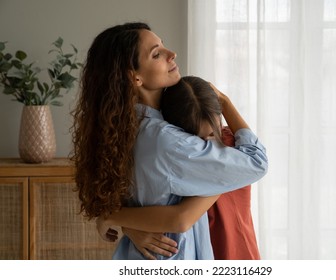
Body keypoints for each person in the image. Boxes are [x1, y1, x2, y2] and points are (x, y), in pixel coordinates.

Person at [71, 22, 268, 260]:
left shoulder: (121, 130)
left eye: (163, 45)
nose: (171, 54)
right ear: (134, 77)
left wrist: (119, 219)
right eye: (156, 54)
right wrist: (224, 102)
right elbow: (256, 163)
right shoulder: (168, 142)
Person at [160, 76, 261, 260]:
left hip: (237, 252)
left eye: (216, 128)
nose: (212, 139)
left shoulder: (232, 146)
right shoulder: (184, 156)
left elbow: (257, 158)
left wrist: (224, 101)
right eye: (204, 136)